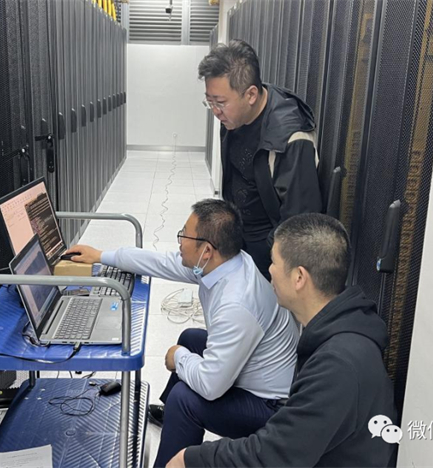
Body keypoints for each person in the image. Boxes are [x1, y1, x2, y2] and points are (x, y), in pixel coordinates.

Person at [68, 199, 299, 468]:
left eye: (184, 235)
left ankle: (172, 447)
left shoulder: (237, 303)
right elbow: (162, 262)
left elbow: (211, 387)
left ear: (207, 250)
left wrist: (179, 358)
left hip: (270, 408)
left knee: (185, 399)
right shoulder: (229, 262)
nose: (179, 241)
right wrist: (101, 255)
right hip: (255, 373)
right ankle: (173, 422)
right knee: (191, 337)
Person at [167, 213, 397, 468]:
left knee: (186, 405)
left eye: (274, 262)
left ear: (299, 277)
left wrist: (190, 459)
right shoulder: (336, 330)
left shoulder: (338, 365)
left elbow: (273, 455)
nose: (269, 270)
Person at [199, 40, 322, 280]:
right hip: (240, 239)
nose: (215, 111)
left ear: (251, 95)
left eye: (220, 102)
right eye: (209, 101)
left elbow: (300, 222)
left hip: (271, 255)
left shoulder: (290, 138)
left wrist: (273, 268)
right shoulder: (234, 117)